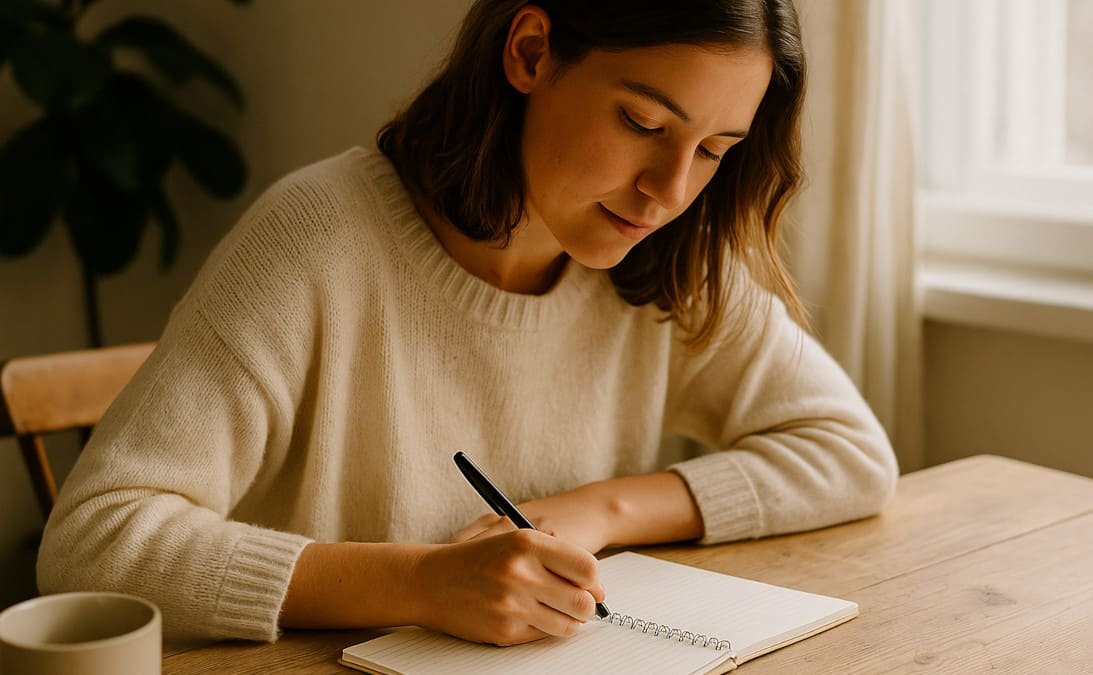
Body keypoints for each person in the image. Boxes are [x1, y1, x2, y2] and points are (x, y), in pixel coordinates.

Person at [37, 0, 898, 647]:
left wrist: (594, 511)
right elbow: (91, 542)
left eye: (713, 150)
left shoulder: (669, 260)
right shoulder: (315, 239)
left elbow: (849, 452)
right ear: (530, 52)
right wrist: (419, 583)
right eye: (643, 122)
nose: (669, 190)